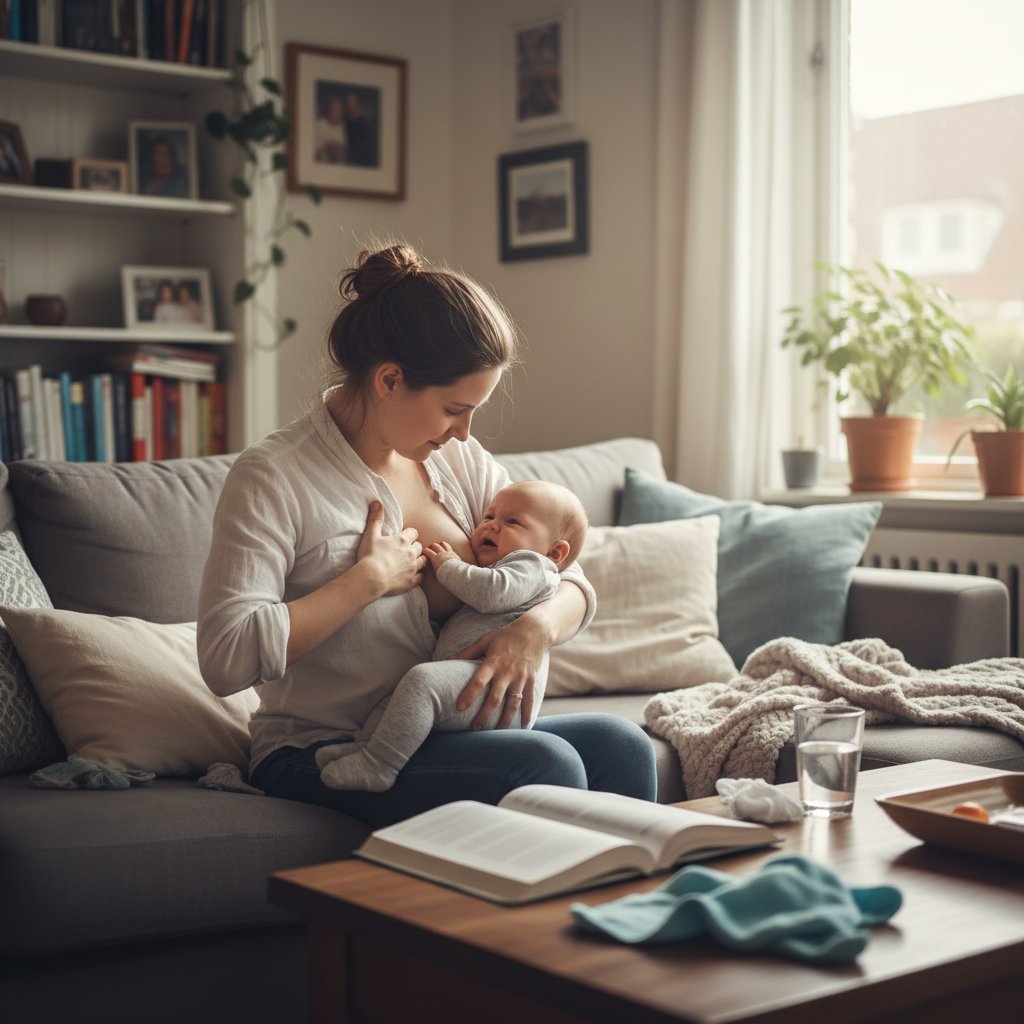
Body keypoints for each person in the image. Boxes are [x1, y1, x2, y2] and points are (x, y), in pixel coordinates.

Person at [196, 243, 656, 829]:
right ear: (390, 379)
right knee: (543, 763)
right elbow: (224, 656)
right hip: (322, 748)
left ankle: (628, 918)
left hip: (440, 730)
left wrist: (534, 629)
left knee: (623, 745)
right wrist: (364, 583)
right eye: (454, 409)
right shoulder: (275, 476)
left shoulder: (457, 463)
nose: (465, 433)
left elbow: (563, 572)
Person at [316, 478, 588, 792]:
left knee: (422, 682)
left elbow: (490, 592)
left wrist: (448, 565)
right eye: (488, 518)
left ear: (555, 552)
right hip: (473, 680)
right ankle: (365, 747)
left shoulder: (533, 566)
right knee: (399, 698)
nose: (492, 526)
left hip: (494, 691)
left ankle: (379, 764)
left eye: (512, 522)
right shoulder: (520, 559)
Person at [314, 94, 347, 164]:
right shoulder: (318, 126)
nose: (337, 113)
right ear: (328, 110)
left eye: (339, 110)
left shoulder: (346, 128)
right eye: (334, 110)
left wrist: (340, 148)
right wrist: (326, 148)